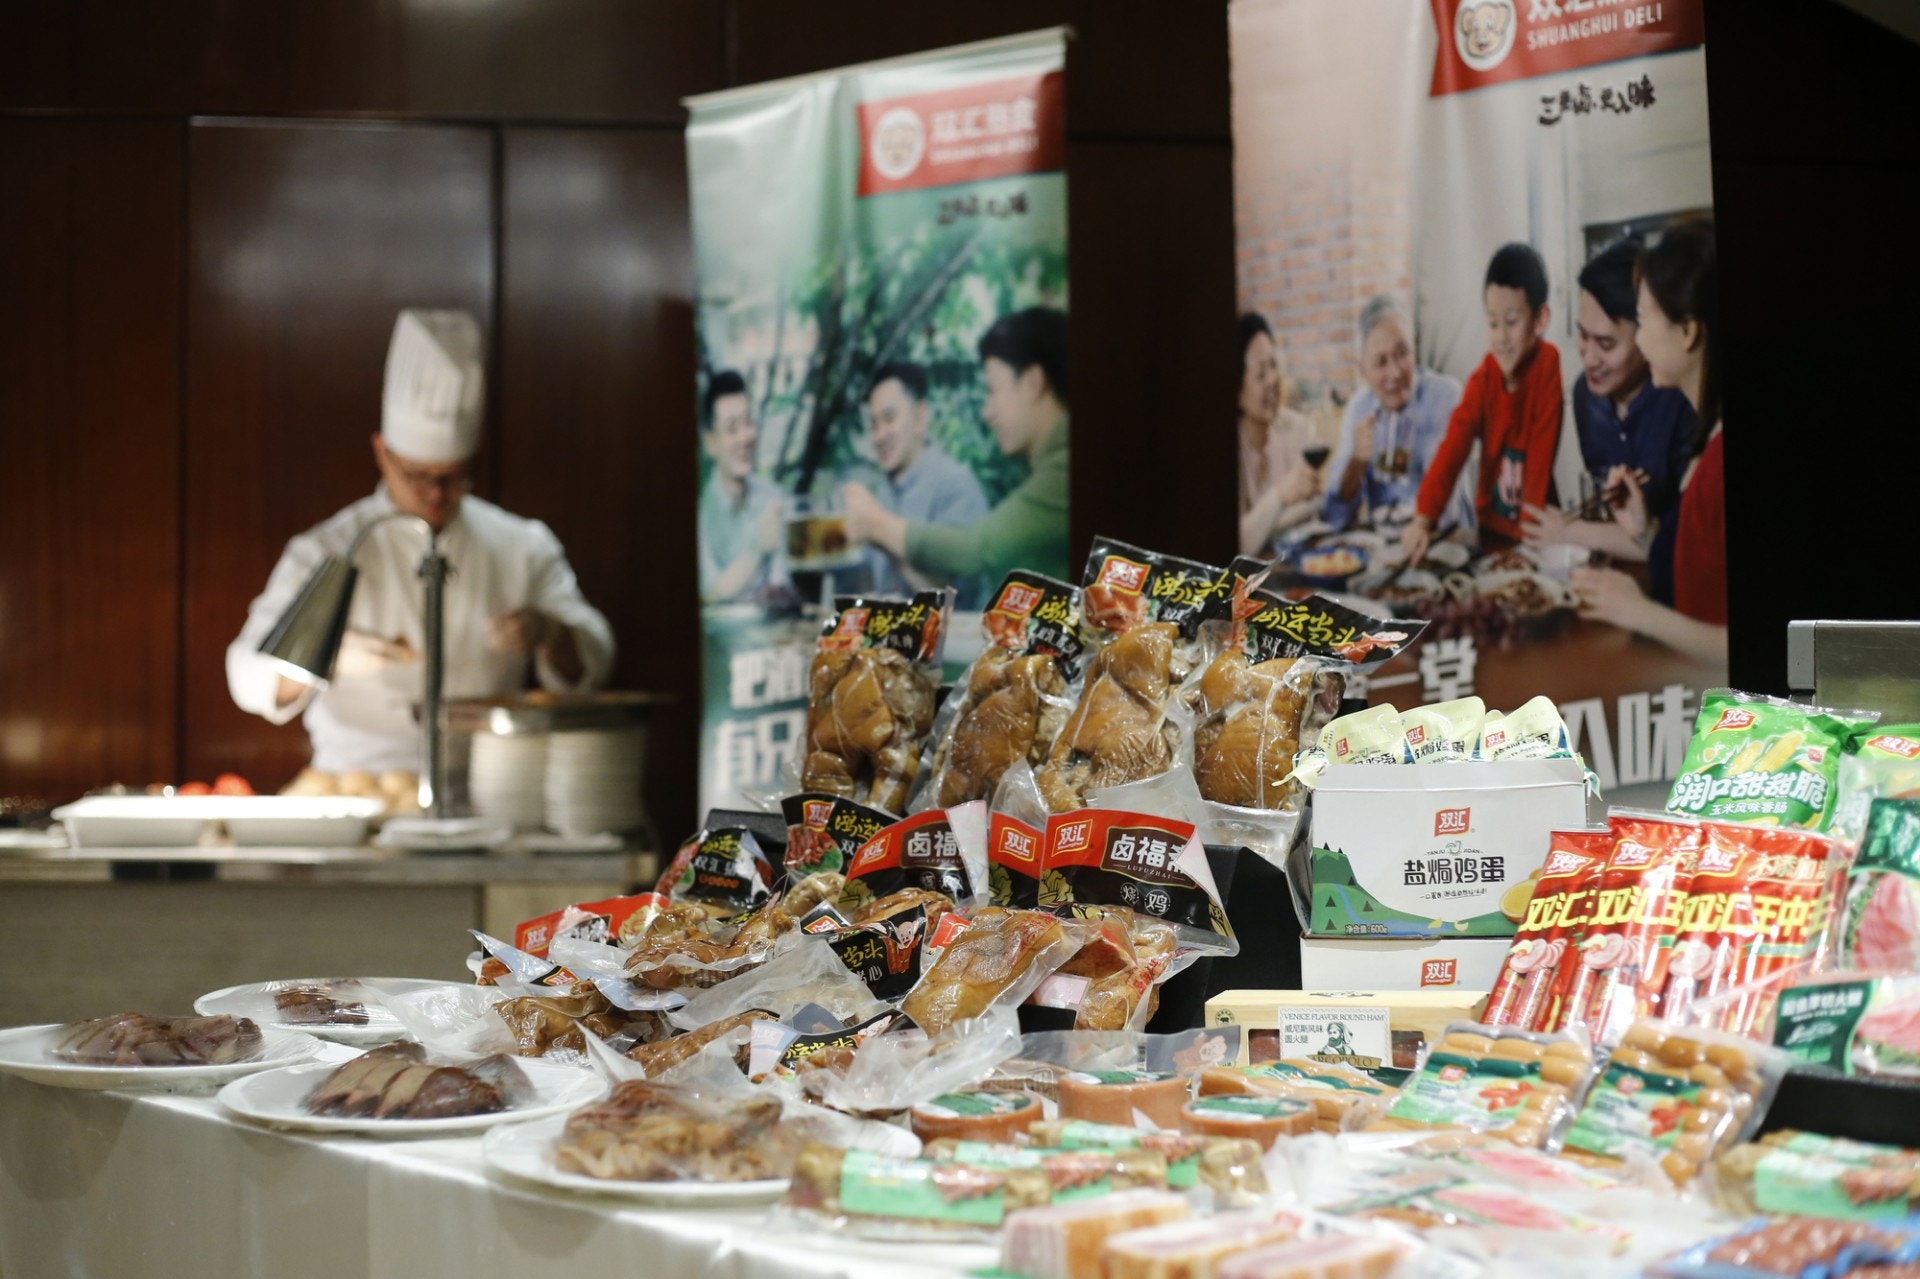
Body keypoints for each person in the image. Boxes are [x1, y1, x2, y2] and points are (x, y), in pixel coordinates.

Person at [226, 309, 614, 776]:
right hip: (358, 782)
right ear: (382, 453)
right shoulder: (329, 548)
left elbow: (595, 658)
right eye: (417, 476)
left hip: (488, 783)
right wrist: (324, 655)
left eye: (452, 477)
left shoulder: (521, 546)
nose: (435, 495)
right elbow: (246, 673)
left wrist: (550, 633)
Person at [1571, 219, 1727, 668]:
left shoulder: (1718, 461)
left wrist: (1638, 612)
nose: (1639, 340)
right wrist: (1644, 531)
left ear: (1688, 332)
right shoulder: (1707, 437)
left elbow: (1754, 648)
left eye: (1642, 322)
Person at [842, 307, 1070, 585]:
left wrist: (878, 525)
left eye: (993, 390)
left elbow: (977, 548)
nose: (987, 412)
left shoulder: (1064, 472)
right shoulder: (883, 491)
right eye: (873, 424)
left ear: (1033, 382)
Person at [1522, 238, 1697, 593]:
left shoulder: (1682, 402)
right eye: (1582, 336)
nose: (1587, 358)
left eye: (1606, 344)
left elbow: (1680, 541)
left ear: (1646, 332)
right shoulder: (1585, 396)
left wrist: (1570, 531)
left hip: (1674, 584)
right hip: (1610, 575)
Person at [1401, 243, 1564, 564]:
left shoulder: (1547, 366)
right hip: (1490, 532)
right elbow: (1452, 450)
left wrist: (1527, 548)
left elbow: (1539, 462)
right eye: (1492, 323)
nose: (1501, 337)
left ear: (1540, 319)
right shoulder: (1482, 380)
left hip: (1538, 534)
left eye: (1512, 321)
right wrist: (1423, 519)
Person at [1321, 296, 1469, 533]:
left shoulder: (1444, 396)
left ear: (1414, 347)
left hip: (1443, 540)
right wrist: (1356, 462)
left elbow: (1446, 508)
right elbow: (1334, 515)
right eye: (1381, 362)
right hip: (1384, 544)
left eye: (1402, 353)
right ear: (1362, 370)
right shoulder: (1359, 409)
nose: (1395, 372)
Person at [848, 361, 989, 603]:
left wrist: (880, 531)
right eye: (873, 424)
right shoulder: (882, 492)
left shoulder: (956, 487)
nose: (880, 436)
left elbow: (955, 602)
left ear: (920, 417)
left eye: (889, 419)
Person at [697, 369, 786, 603]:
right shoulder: (699, 512)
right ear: (710, 443)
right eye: (732, 429)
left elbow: (781, 589)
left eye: (748, 424)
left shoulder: (771, 497)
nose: (744, 438)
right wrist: (757, 549)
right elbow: (708, 596)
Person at [1237, 313, 1322, 557]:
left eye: (1274, 365)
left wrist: (1262, 525)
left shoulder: (1296, 428)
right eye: (1261, 373)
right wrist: (1280, 496)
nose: (1273, 379)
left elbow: (1315, 505)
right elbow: (1238, 544)